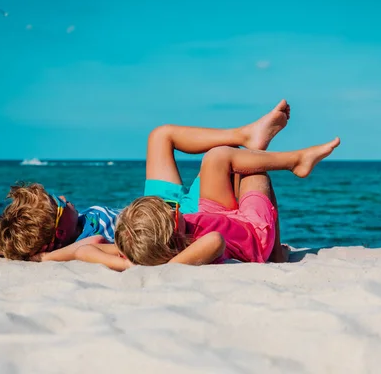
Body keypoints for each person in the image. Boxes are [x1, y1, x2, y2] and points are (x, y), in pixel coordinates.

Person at [0, 100, 292, 262]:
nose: (66, 199)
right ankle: (271, 246)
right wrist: (48, 257)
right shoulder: (86, 242)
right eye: (60, 204)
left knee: (160, 136)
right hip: (169, 219)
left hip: (158, 205)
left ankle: (246, 133)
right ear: (59, 231)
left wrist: (28, 254)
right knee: (234, 165)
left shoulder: (62, 231)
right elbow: (84, 251)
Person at [74, 109, 341, 271]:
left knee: (218, 157)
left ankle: (286, 156)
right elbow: (215, 241)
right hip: (250, 232)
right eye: (172, 213)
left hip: (214, 215)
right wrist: (164, 268)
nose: (174, 208)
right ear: (174, 227)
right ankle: (296, 163)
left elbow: (83, 251)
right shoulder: (193, 249)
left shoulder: (139, 250)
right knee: (255, 172)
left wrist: (129, 264)